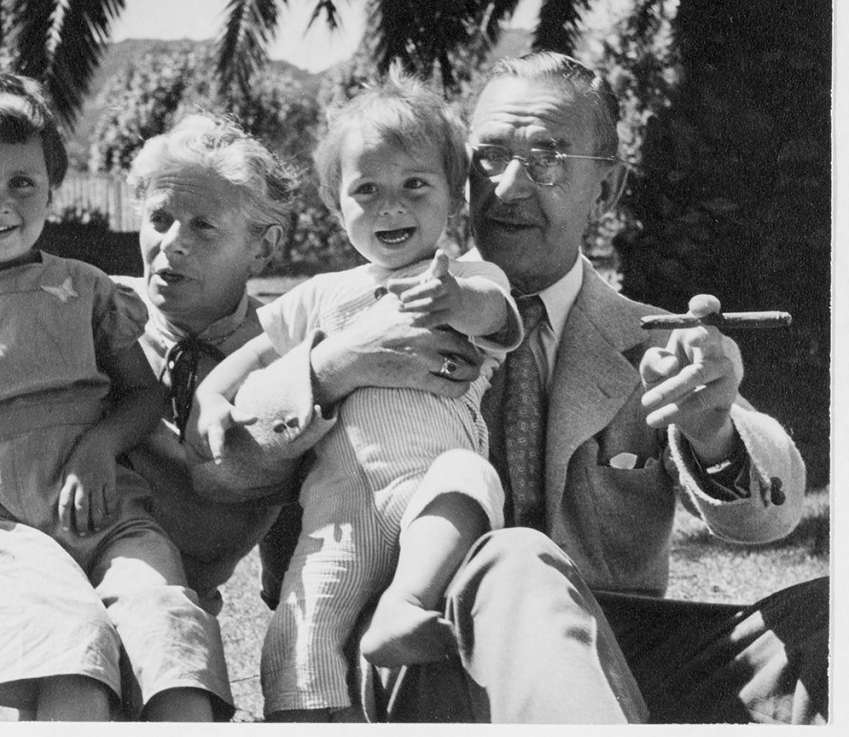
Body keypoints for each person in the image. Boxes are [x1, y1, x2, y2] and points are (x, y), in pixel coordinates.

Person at [211, 51, 828, 724]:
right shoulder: (360, 310)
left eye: (547, 158)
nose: (508, 186)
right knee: (517, 557)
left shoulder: (648, 338)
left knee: (828, 616)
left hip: (618, 654)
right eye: (489, 157)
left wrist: (712, 430)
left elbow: (772, 512)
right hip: (423, 650)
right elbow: (218, 466)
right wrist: (335, 367)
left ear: (608, 189)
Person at [0, 109, 298, 722]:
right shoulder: (83, 302)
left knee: (143, 664)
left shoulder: (288, 361)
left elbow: (317, 519)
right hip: (9, 551)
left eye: (204, 226)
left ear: (264, 247)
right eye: (159, 219)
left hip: (144, 583)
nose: (171, 244)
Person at [194, 70, 522, 720]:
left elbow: (496, 314)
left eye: (415, 186)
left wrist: (455, 299)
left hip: (430, 483)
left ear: (455, 197)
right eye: (367, 190)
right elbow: (254, 352)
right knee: (300, 629)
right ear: (334, 201)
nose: (390, 207)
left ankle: (407, 602)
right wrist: (211, 394)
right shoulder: (322, 293)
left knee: (470, 476)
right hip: (342, 502)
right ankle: (307, 715)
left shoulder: (468, 274)